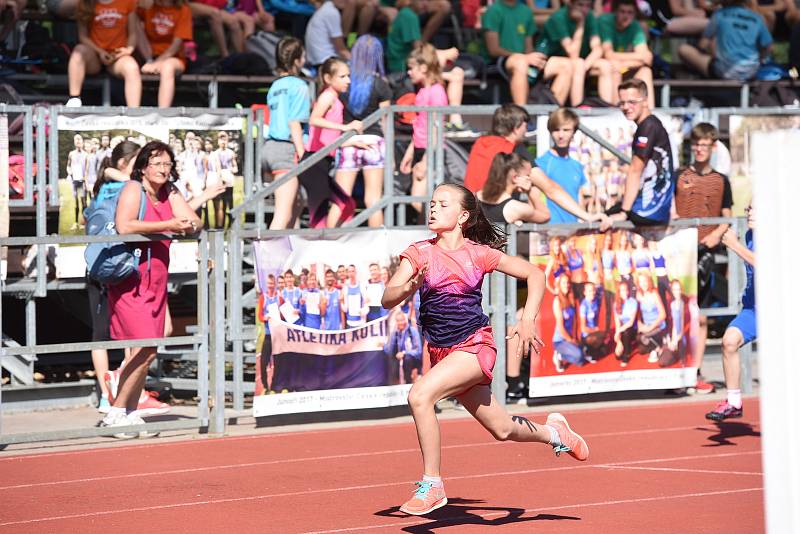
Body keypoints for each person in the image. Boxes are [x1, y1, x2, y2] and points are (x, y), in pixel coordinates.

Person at [382, 182, 589, 516]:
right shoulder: (419, 252)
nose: (433, 208)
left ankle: (432, 484)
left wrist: (528, 320)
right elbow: (387, 297)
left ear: (463, 216)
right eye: (432, 203)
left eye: (442, 204)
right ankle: (555, 433)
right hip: (443, 353)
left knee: (420, 396)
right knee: (503, 429)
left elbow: (534, 274)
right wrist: (410, 285)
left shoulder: (478, 253)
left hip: (475, 346)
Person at [101, 140, 201, 438]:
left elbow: (193, 221)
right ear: (143, 166)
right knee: (144, 348)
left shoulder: (170, 191)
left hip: (156, 280)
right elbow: (124, 225)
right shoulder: (134, 189)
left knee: (148, 349)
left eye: (167, 164)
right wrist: (170, 223)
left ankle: (128, 413)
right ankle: (117, 411)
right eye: (157, 163)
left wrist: (189, 224)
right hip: (131, 279)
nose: (162, 169)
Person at [672, 122, 733, 394]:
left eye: (704, 145)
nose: (699, 149)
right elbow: (670, 209)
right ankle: (675, 372)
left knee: (700, 315)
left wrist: (715, 235)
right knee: (676, 313)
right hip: (678, 252)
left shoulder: (722, 180)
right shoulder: (679, 175)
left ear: (712, 147)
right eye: (695, 145)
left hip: (705, 254)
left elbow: (728, 218)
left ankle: (695, 372)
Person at [335, 35, 392, 228]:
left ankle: (329, 243)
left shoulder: (345, 82)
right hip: (374, 141)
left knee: (340, 199)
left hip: (349, 140)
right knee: (373, 200)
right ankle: (378, 250)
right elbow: (385, 121)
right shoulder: (380, 84)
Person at [706, 203, 755, 421]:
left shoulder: (777, 234)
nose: (749, 212)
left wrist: (734, 245)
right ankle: (734, 401)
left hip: (780, 310)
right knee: (729, 341)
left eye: (755, 208)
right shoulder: (751, 234)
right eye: (748, 208)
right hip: (754, 310)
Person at [386, 0, 468, 131]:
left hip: (416, 67)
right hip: (403, 71)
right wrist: (444, 53)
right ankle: (454, 117)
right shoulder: (408, 16)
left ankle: (455, 118)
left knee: (457, 73)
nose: (426, 3)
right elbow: (417, 49)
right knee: (447, 63)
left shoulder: (408, 14)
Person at [303, 57, 363, 228]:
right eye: (342, 77)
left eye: (348, 76)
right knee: (318, 219)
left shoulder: (335, 99)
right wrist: (345, 127)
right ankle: (318, 251)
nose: (348, 81)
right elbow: (314, 119)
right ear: (329, 78)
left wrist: (350, 142)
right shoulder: (328, 96)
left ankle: (335, 244)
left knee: (347, 205)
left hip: (323, 161)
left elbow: (329, 137)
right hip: (314, 162)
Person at [607, 79, 674, 226]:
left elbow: (635, 171)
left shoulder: (648, 127)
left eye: (632, 102)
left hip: (650, 210)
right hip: (656, 206)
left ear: (645, 101)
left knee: (603, 220)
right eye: (622, 103)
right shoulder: (650, 124)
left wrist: (624, 213)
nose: (626, 107)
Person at [482, 0, 573, 105]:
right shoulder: (493, 10)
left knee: (566, 65)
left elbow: (528, 48)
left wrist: (533, 59)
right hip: (497, 62)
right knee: (520, 62)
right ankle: (522, 115)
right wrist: (524, 57)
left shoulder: (526, 11)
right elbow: (493, 50)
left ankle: (552, 115)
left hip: (524, 60)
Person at [263, 37, 310, 230]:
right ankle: (265, 259)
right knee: (282, 215)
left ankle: (290, 256)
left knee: (297, 203)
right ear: (297, 60)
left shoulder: (275, 86)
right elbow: (294, 123)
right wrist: (303, 152)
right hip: (286, 149)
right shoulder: (298, 86)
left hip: (270, 148)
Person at [399, 44, 448, 216]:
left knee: (417, 198)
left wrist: (427, 161)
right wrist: (410, 153)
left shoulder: (436, 92)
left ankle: (447, 228)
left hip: (432, 150)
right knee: (418, 198)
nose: (409, 72)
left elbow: (436, 128)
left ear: (424, 68)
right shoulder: (422, 91)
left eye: (412, 68)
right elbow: (420, 124)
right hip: (421, 148)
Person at [537, 0, 615, 105]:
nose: (584, 9)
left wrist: (585, 66)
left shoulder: (589, 16)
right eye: (580, 5)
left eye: (587, 6)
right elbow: (573, 54)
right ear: (570, 3)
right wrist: (580, 25)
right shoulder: (558, 18)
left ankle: (608, 110)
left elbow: (597, 49)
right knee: (578, 63)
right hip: (547, 61)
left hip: (577, 62)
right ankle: (578, 109)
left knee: (605, 65)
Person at [67, 0, 142, 107]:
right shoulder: (85, 3)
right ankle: (74, 99)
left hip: (117, 56)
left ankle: (134, 112)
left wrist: (128, 50)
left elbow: (133, 33)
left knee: (132, 67)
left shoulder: (128, 2)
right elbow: (83, 36)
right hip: (94, 55)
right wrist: (100, 51)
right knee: (78, 51)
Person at [678, 0, 773, 82]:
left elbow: (703, 44)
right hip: (751, 72)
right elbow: (768, 46)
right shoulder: (757, 18)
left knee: (684, 50)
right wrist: (760, 60)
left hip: (725, 72)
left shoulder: (719, 15)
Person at [534, 108, 590, 224]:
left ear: (574, 132)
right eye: (556, 130)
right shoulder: (541, 163)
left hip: (573, 230)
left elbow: (580, 200)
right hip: (548, 231)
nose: (561, 135)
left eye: (566, 130)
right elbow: (534, 200)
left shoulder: (577, 166)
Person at [599, 0, 655, 109]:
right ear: (615, 12)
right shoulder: (605, 21)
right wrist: (639, 56)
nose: (626, 16)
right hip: (602, 67)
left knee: (646, 71)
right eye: (622, 12)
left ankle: (648, 113)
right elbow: (608, 54)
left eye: (630, 12)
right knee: (614, 67)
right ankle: (616, 112)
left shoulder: (635, 26)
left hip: (623, 66)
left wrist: (626, 62)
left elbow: (648, 58)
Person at [138, 0, 193, 108]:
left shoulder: (184, 10)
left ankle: (163, 114)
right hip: (148, 56)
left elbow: (175, 46)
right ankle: (133, 116)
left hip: (174, 58)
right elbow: (128, 11)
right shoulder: (148, 7)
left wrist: (156, 63)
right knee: (134, 19)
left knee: (167, 67)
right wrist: (149, 61)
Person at [477, 153, 551, 225]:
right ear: (515, 178)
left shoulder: (475, 197)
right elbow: (545, 216)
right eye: (528, 175)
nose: (530, 179)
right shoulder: (515, 208)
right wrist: (531, 190)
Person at [552, 273, 583, 372]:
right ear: (559, 285)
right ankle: (559, 355)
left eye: (568, 282)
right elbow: (560, 327)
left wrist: (575, 337)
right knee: (579, 356)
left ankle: (571, 350)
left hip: (570, 338)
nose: (566, 285)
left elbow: (574, 321)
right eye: (564, 283)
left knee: (583, 357)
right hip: (560, 340)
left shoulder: (571, 299)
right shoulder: (557, 301)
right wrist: (571, 340)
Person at [305, 0, 351, 67]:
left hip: (316, 59)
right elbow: (341, 50)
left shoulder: (326, 8)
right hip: (324, 62)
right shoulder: (332, 12)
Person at [257, 273, 282, 393]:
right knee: (263, 362)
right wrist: (265, 318)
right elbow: (259, 316)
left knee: (278, 362)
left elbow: (283, 313)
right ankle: (265, 385)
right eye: (269, 283)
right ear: (266, 285)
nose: (270, 285)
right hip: (268, 334)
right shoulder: (264, 297)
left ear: (275, 284)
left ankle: (275, 385)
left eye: (272, 283)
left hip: (277, 334)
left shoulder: (279, 297)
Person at [208, 132, 238, 229]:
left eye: (224, 140)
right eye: (221, 140)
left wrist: (233, 170)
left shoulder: (231, 153)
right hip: (222, 179)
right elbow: (218, 167)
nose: (223, 142)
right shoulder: (216, 153)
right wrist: (219, 178)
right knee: (222, 204)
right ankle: (221, 225)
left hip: (229, 179)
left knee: (230, 203)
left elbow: (235, 167)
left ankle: (231, 225)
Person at [636, 271, 667, 364]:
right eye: (641, 282)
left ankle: (659, 346)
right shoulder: (639, 294)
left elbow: (663, 314)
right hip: (647, 325)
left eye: (645, 281)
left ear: (649, 281)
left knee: (643, 337)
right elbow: (637, 313)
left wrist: (650, 327)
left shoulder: (654, 294)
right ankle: (656, 344)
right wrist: (640, 324)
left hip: (657, 325)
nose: (643, 284)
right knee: (641, 349)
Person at [384, 312, 423, 384]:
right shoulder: (395, 333)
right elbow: (389, 350)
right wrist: (384, 345)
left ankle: (408, 383)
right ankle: (393, 384)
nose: (400, 323)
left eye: (402, 320)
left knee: (407, 358)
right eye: (398, 321)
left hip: (412, 359)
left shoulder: (412, 331)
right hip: (399, 359)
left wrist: (404, 353)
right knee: (390, 360)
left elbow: (418, 351)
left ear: (405, 320)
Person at [67, 134, 90, 229]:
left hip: (82, 182)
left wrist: (85, 178)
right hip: (75, 181)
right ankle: (76, 223)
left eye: (79, 139)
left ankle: (84, 222)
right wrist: (69, 172)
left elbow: (87, 169)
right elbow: (68, 165)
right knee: (75, 202)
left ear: (82, 141)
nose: (78, 141)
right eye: (76, 139)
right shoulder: (71, 154)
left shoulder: (86, 155)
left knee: (83, 202)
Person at [579, 280, 606, 361]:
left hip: (594, 332)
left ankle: (593, 347)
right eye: (590, 291)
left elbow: (601, 287)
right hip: (587, 334)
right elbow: (583, 328)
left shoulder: (595, 301)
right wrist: (595, 330)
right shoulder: (583, 306)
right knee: (594, 356)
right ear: (585, 292)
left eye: (594, 290)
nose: (592, 292)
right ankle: (585, 348)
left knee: (604, 350)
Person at [613, 279, 637, 366]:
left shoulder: (633, 302)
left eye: (626, 290)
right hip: (622, 329)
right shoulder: (616, 304)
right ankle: (624, 345)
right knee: (617, 356)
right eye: (622, 290)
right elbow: (617, 322)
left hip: (632, 329)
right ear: (619, 292)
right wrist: (618, 340)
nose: (624, 292)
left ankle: (627, 354)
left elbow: (631, 322)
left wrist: (619, 331)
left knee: (626, 332)